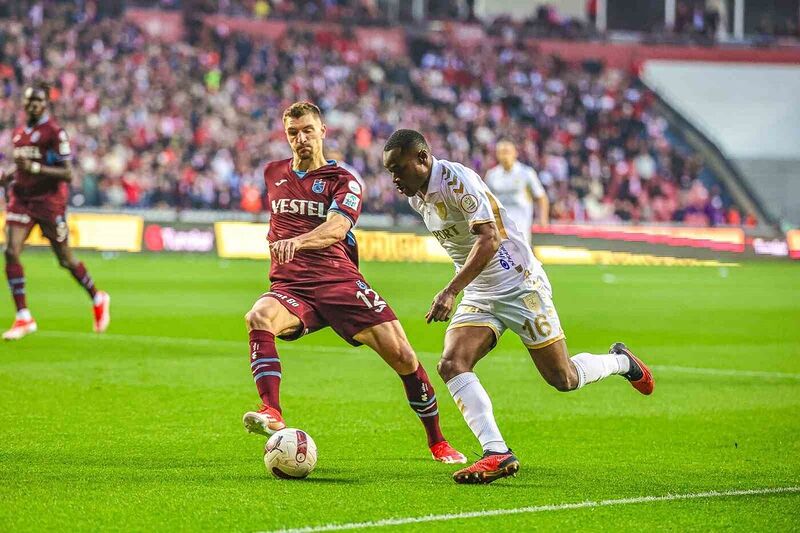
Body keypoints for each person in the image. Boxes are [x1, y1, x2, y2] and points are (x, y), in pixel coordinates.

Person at [382, 129, 654, 484]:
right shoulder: (417, 197)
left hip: (519, 283)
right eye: (390, 172)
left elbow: (489, 238)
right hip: (481, 290)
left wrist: (450, 290)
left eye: (399, 169)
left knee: (563, 378)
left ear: (422, 158)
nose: (395, 179)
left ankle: (622, 362)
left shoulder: (455, 180)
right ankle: (496, 452)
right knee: (452, 362)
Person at [241, 103, 465, 464]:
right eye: (293, 132)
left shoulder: (344, 180)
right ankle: (272, 411)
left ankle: (438, 441)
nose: (301, 139)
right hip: (292, 286)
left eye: (308, 130)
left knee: (405, 358)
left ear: (323, 131)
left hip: (339, 282)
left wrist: (297, 242)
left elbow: (339, 227)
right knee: (258, 317)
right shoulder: (272, 173)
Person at [1, 83, 110, 340]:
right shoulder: (19, 133)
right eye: (29, 101)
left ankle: (97, 296)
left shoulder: (54, 133)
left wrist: (35, 169)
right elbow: (23, 167)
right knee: (10, 250)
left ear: (46, 104)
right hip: (22, 199)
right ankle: (23, 317)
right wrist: (8, 177)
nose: (33, 105)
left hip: (49, 202)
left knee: (65, 259)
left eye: (38, 101)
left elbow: (68, 173)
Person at [484, 140, 549, 237]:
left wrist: (543, 219)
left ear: (515, 153)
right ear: (497, 155)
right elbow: (486, 199)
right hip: (499, 225)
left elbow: (541, 197)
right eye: (501, 153)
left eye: (507, 152)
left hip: (521, 225)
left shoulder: (526, 173)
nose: (505, 156)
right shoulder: (492, 175)